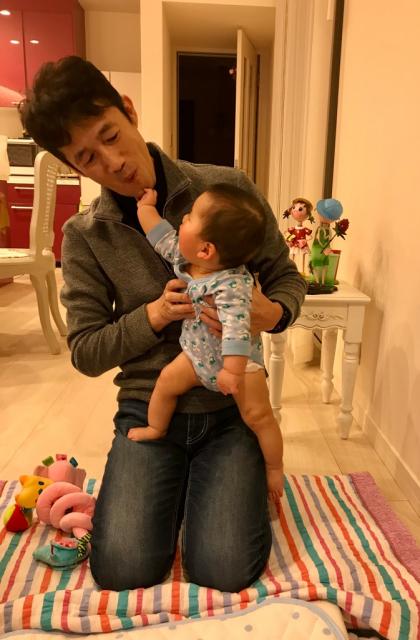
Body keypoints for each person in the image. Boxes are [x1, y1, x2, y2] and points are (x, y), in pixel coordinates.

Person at [19, 56, 307, 593]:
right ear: (72, 166)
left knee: (224, 568)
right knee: (123, 567)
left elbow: (287, 280)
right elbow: (85, 351)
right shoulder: (85, 235)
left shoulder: (226, 189)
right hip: (148, 403)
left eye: (111, 136)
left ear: (129, 111)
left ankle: (207, 485)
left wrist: (272, 312)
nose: (114, 162)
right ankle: (173, 485)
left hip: (230, 409)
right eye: (88, 157)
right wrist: (151, 316)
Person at [127, 184, 284, 497]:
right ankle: (156, 427)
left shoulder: (232, 286)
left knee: (258, 416)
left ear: (206, 250)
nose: (181, 219)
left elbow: (237, 331)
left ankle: (274, 467)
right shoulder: (188, 259)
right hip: (196, 355)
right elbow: (161, 237)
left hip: (241, 367)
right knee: (166, 381)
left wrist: (232, 371)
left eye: (189, 218)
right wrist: (146, 208)